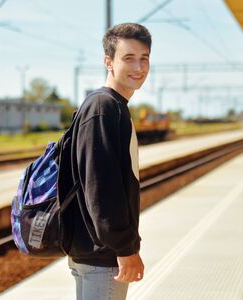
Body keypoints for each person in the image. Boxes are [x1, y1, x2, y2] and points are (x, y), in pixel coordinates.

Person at [67, 23, 151, 300]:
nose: (138, 67)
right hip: (103, 257)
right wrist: (125, 249)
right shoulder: (104, 108)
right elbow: (101, 188)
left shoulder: (113, 107)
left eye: (144, 58)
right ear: (108, 62)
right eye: (128, 58)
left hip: (97, 254)